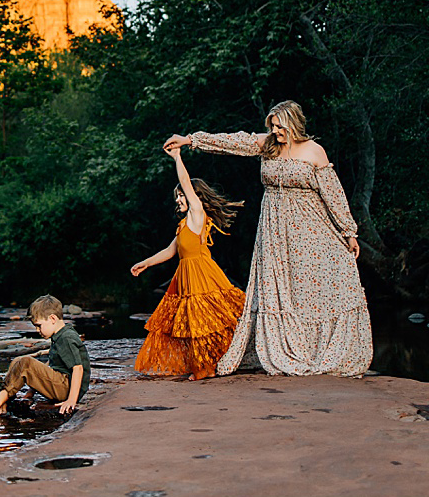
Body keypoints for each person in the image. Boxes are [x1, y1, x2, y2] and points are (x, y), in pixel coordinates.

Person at [163, 100, 372, 377]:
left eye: (279, 125)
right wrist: (190, 141)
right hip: (275, 233)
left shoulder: (314, 151)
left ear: (294, 123)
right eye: (272, 125)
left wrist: (349, 231)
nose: (275, 130)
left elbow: (333, 194)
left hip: (313, 229)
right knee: (283, 290)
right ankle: (286, 347)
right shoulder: (267, 145)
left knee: (313, 287)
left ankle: (320, 351)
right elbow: (231, 143)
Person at [130, 143, 247, 380]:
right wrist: (146, 263)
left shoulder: (197, 214)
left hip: (201, 274)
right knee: (191, 324)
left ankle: (207, 368)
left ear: (193, 196)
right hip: (185, 276)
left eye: (181, 195)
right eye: (177, 197)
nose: (179, 200)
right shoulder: (183, 225)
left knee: (205, 321)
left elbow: (185, 182)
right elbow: (170, 251)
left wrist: (177, 158)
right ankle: (202, 366)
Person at [0, 294, 90, 415]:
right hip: (63, 384)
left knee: (25, 363)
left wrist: (71, 400)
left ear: (53, 319)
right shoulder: (59, 335)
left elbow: (78, 368)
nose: (37, 330)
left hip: (67, 389)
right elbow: (51, 365)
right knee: (18, 361)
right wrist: (30, 393)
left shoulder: (66, 337)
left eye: (39, 326)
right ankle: (3, 404)